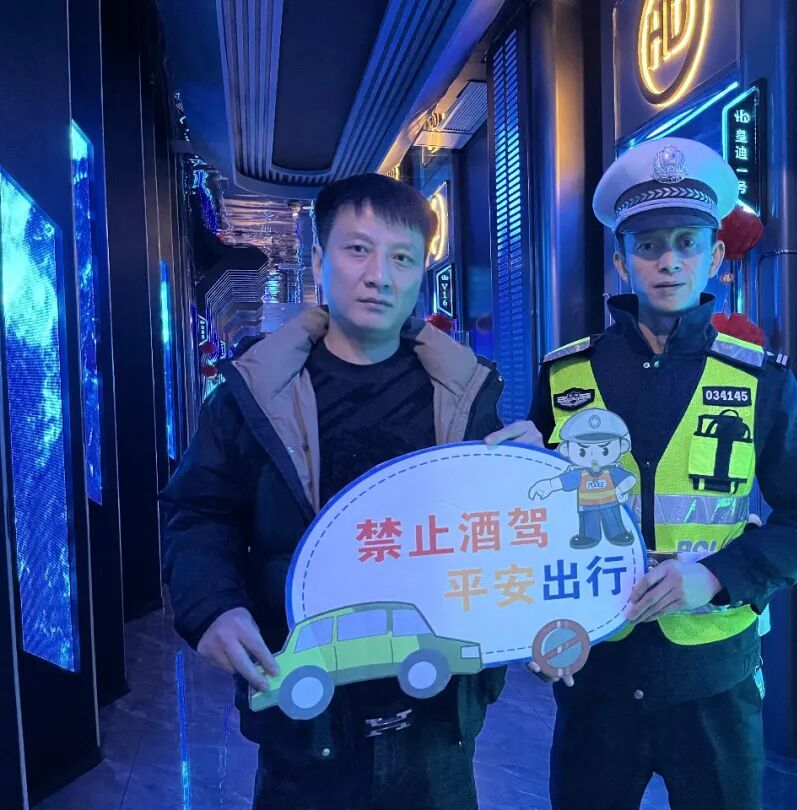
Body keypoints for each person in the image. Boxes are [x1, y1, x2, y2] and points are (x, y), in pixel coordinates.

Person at [161, 173, 540, 809]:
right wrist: (213, 606)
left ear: (421, 272)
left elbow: (496, 537)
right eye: (358, 250)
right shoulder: (254, 395)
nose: (379, 276)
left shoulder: (464, 395)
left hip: (437, 725)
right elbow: (199, 511)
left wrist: (529, 484)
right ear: (318, 260)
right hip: (305, 730)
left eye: (402, 258)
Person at [527, 137, 797, 809]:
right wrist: (529, 618)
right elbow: (533, 520)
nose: (668, 261)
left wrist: (716, 575)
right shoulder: (564, 376)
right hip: (596, 674)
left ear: (716, 257)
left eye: (686, 242)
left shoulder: (759, 379)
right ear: (622, 259)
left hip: (713, 678)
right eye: (647, 245)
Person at [528, 407, 637, 548]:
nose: (593, 455)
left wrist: (620, 489)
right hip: (587, 506)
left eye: (604, 450)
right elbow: (563, 481)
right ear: (566, 449)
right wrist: (548, 485)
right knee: (588, 523)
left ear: (622, 446)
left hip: (610, 503)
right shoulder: (579, 473)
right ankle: (589, 537)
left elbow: (630, 479)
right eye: (582, 451)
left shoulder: (612, 471)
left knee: (613, 520)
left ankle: (617, 534)